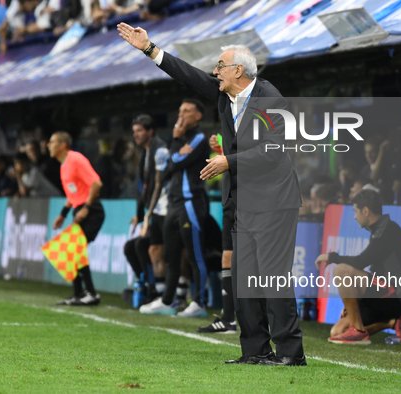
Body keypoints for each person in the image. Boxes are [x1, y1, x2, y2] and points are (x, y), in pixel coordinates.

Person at [117, 23, 306, 366]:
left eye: (220, 65)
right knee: (244, 280)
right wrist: (150, 49)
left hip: (275, 203)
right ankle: (255, 351)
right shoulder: (225, 95)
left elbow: (273, 152)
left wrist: (228, 162)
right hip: (242, 204)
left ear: (238, 70)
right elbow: (189, 77)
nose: (215, 71)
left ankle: (291, 354)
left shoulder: (271, 99)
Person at [139, 99, 211, 318]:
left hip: (190, 203)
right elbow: (166, 168)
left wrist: (177, 144)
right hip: (173, 204)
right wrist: (177, 148)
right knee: (171, 256)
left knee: (194, 254)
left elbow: (176, 163)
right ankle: (167, 300)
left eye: (187, 111)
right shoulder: (178, 141)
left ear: (198, 116)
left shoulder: (199, 138)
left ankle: (199, 302)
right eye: (179, 111)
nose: (181, 115)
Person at [315, 190, 401, 344]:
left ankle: (359, 331)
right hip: (382, 295)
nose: (355, 216)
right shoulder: (378, 230)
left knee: (341, 270)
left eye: (356, 211)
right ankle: (393, 322)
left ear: (366, 211)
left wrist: (332, 257)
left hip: (397, 295)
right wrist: (351, 304)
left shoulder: (389, 230)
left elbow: (361, 261)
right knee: (336, 331)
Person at [49, 131, 105, 306]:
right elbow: (74, 192)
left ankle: (91, 294)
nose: (48, 145)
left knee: (73, 248)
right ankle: (78, 294)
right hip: (79, 208)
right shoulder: (64, 164)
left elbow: (96, 183)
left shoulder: (76, 159)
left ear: (63, 145)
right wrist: (63, 214)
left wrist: (87, 207)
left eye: (52, 142)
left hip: (92, 210)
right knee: (68, 248)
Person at [124, 114, 167, 305]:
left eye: (140, 131)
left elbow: (158, 186)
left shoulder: (160, 149)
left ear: (150, 131)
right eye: (134, 132)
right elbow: (146, 189)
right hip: (153, 211)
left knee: (144, 245)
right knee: (131, 247)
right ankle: (145, 284)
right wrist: (140, 215)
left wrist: (148, 216)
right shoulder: (145, 153)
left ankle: (155, 290)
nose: (136, 135)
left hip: (165, 210)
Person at [197, 134, 237, 334]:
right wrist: (222, 153)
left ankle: (267, 319)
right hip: (230, 202)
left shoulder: (257, 121)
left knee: (258, 261)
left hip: (250, 201)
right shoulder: (230, 118)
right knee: (227, 257)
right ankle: (228, 318)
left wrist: (227, 157)